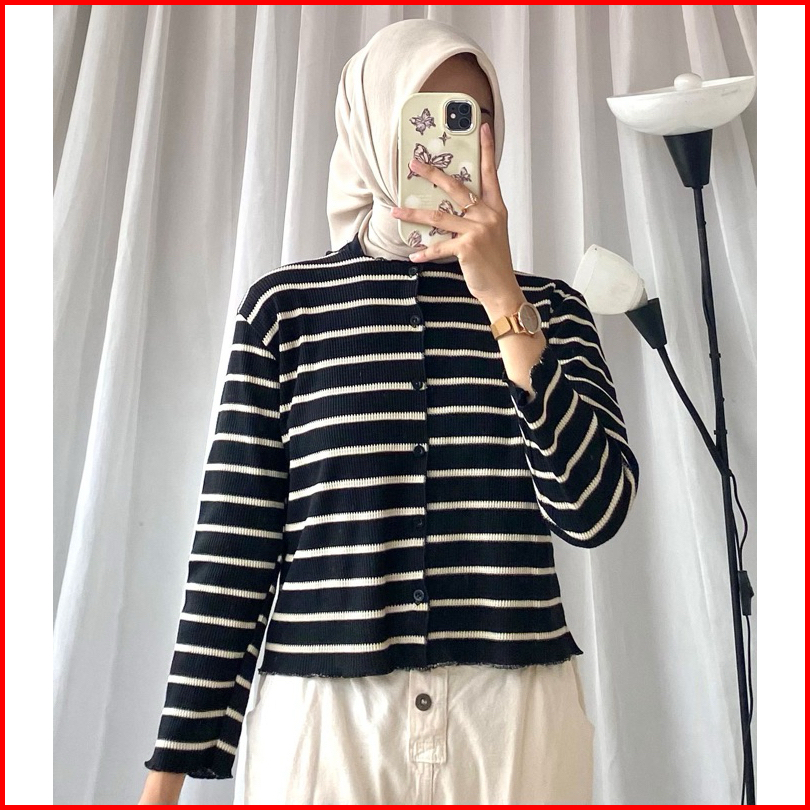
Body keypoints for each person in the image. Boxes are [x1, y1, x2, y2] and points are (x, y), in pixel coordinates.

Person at [139, 18, 639, 805]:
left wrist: (505, 305)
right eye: (422, 116)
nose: (444, 147)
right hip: (325, 730)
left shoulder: (554, 309)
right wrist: (166, 777)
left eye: (470, 119)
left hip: (512, 727)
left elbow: (594, 512)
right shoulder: (285, 311)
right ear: (372, 124)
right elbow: (235, 547)